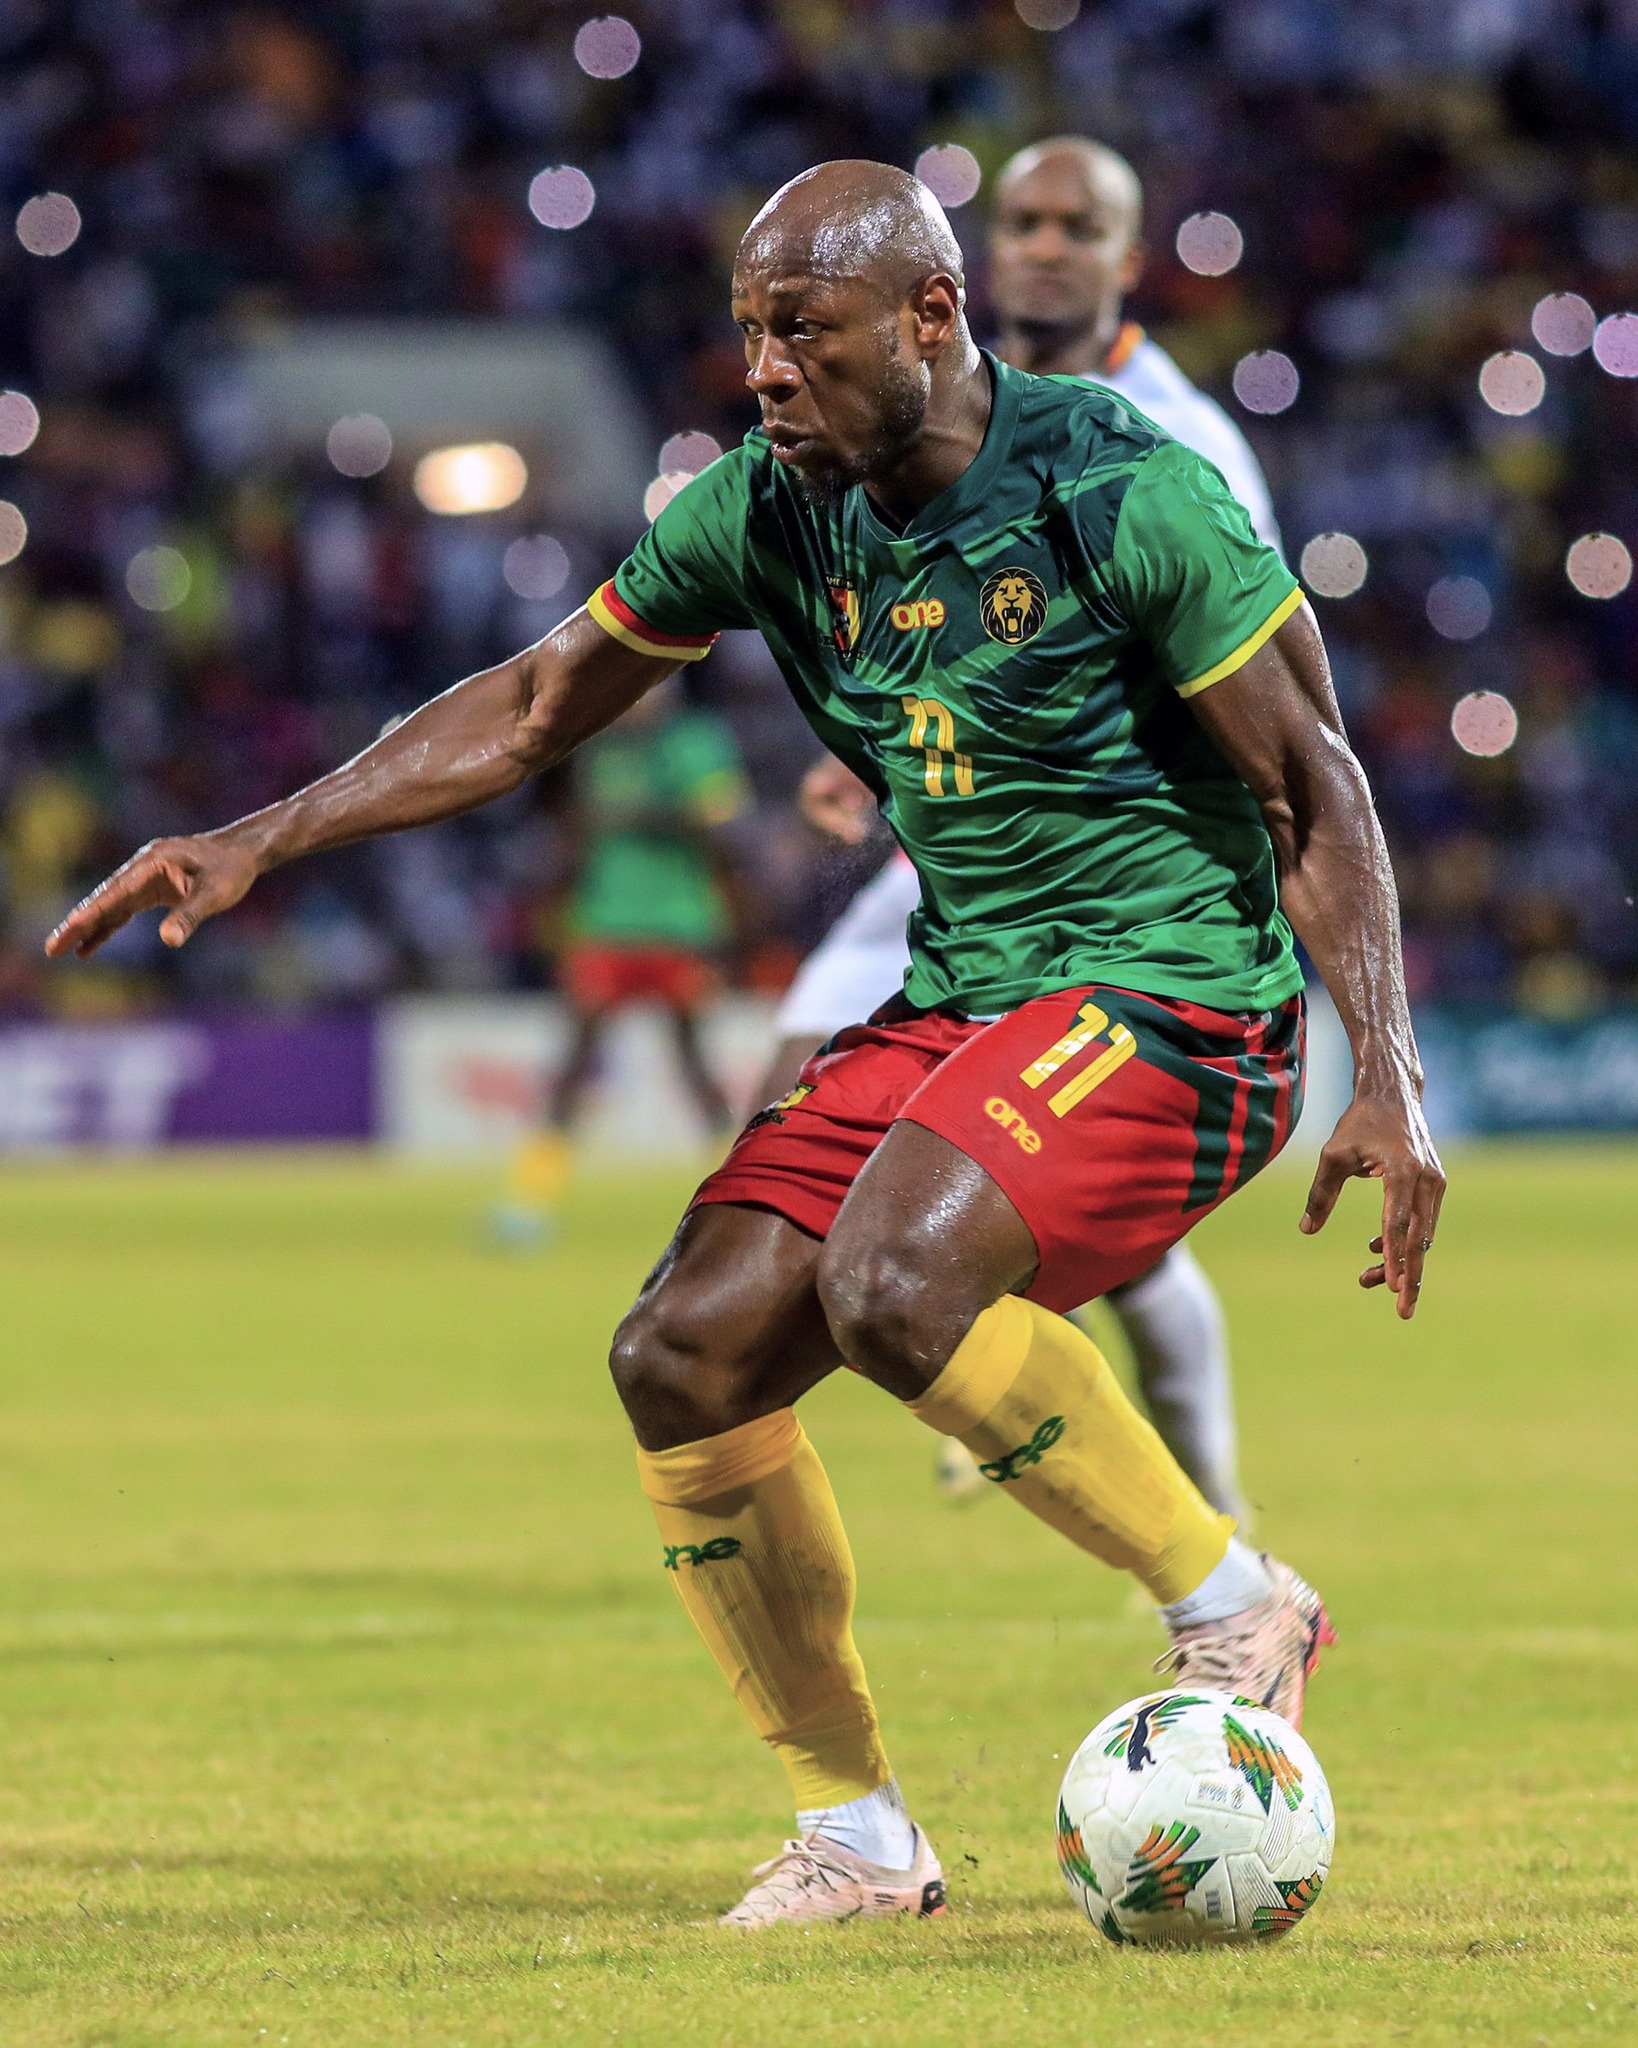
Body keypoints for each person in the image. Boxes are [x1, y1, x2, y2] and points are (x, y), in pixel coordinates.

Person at [49, 161, 1443, 1933]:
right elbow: (542, 699)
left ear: (928, 322)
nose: (764, 372)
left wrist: (1384, 1072)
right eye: (747, 336)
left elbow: (1312, 783)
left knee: (888, 1284)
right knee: (681, 1353)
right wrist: (266, 831)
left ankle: (1234, 1599)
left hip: (1177, 999)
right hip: (971, 995)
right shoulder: (763, 511)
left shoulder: (1120, 489)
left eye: (801, 333)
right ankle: (856, 1836)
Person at [761, 135, 1277, 1518]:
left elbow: (1241, 683)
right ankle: (975, 1319)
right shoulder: (924, 404)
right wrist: (882, 758)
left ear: (1126, 256)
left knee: (1111, 1227)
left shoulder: (1177, 438)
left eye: (1075, 224)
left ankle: (1199, 1519)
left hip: (1125, 866)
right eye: (1024, 222)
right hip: (958, 856)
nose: (1044, 245)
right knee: (791, 1071)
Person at [495, 683, 748, 1242]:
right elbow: (576, 830)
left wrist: (650, 813)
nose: (637, 702)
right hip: (605, 922)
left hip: (680, 923)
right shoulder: (599, 749)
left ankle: (743, 1200)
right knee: (575, 1061)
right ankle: (528, 1205)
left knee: (694, 1063)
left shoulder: (695, 742)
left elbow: (725, 825)